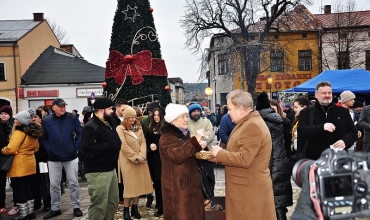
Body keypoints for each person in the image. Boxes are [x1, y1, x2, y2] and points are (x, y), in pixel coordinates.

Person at [210, 90, 276, 220]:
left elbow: (245, 159)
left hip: (249, 192)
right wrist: (219, 157)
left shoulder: (252, 125)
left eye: (230, 109)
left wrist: (221, 153)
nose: (228, 113)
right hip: (246, 190)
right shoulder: (247, 122)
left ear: (240, 108)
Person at [159, 103, 207, 220]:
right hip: (177, 187)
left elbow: (187, 151)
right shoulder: (166, 137)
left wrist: (200, 147)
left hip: (188, 184)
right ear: (173, 120)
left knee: (193, 213)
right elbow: (178, 156)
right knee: (181, 214)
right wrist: (195, 140)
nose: (186, 119)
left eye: (186, 116)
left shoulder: (183, 134)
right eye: (183, 117)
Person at [40, 98, 83, 219]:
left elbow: (80, 132)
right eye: (60, 106)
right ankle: (55, 208)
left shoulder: (72, 118)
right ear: (53, 108)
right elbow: (42, 138)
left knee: (74, 182)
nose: (63, 108)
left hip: (71, 156)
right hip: (53, 157)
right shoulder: (47, 120)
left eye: (64, 106)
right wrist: (50, 150)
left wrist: (75, 147)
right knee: (54, 184)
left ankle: (76, 206)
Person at [80, 98, 121, 220]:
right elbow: (86, 148)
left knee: (112, 202)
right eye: (110, 109)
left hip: (110, 168)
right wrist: (108, 145)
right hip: (98, 171)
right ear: (101, 110)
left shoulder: (108, 122)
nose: (112, 111)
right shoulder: (91, 126)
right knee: (99, 205)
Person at [297, 81, 357, 160]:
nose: (327, 95)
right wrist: (322, 128)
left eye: (329, 93)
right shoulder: (307, 112)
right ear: (316, 95)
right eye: (324, 93)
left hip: (338, 159)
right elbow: (302, 131)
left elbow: (353, 132)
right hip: (314, 159)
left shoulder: (343, 112)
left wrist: (345, 141)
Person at [256, 92, 292, 220]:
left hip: (270, 165)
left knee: (272, 203)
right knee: (279, 203)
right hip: (281, 164)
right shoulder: (280, 121)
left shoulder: (261, 122)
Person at [1, 110, 43, 220]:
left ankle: (23, 215)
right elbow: (36, 148)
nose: (15, 120)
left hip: (19, 165)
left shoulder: (18, 133)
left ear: (20, 122)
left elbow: (11, 149)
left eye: (16, 119)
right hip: (30, 163)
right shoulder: (32, 133)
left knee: (19, 190)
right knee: (28, 188)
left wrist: (3, 150)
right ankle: (30, 213)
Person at [116, 107, 154, 220]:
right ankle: (126, 209)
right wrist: (135, 157)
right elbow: (123, 146)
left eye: (134, 117)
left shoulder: (138, 128)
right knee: (130, 186)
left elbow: (143, 141)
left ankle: (135, 208)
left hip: (140, 159)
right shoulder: (120, 128)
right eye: (131, 117)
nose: (133, 119)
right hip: (127, 160)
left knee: (139, 184)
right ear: (126, 118)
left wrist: (142, 156)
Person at [188, 103, 216, 200]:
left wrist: (202, 141)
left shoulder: (206, 122)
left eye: (198, 111)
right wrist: (197, 142)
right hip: (192, 156)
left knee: (209, 177)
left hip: (206, 155)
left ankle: (209, 198)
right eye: (194, 111)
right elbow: (187, 137)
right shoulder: (186, 123)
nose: (196, 113)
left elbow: (210, 134)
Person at [30, 109, 51, 212]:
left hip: (43, 159)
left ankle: (47, 203)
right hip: (32, 159)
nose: (34, 119)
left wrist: (48, 157)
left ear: (40, 119)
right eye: (32, 117)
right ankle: (37, 202)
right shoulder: (29, 129)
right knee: (34, 181)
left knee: (44, 181)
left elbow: (48, 144)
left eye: (36, 117)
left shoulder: (44, 129)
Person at [145, 108, 164, 217]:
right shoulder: (150, 128)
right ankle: (159, 206)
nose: (156, 117)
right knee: (157, 183)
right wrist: (149, 145)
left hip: (163, 159)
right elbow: (146, 141)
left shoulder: (165, 128)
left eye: (158, 115)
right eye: (154, 115)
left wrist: (158, 145)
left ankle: (164, 206)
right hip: (153, 159)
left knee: (163, 183)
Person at [111, 98, 129, 205]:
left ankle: (123, 197)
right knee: (117, 176)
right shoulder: (112, 119)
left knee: (123, 174)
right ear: (117, 107)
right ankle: (118, 199)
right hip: (116, 151)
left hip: (124, 150)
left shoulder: (124, 118)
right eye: (123, 109)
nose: (124, 111)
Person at [0, 105, 14, 215]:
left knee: (15, 182)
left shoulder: (14, 125)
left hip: (13, 156)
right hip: (2, 157)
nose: (3, 116)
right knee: (1, 183)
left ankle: (17, 204)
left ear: (10, 115)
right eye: (1, 114)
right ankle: (2, 205)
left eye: (5, 114)